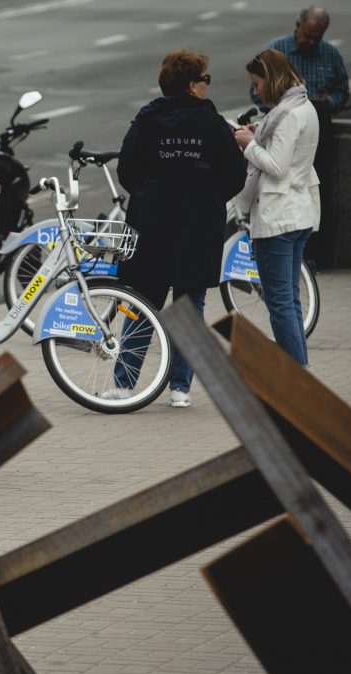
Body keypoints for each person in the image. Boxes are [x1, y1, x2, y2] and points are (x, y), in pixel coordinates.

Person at [108, 49, 246, 408]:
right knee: (191, 306)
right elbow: (235, 173)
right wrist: (209, 196)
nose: (207, 86)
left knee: (142, 301)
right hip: (197, 224)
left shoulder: (147, 119)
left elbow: (126, 170)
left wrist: (149, 195)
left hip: (152, 222)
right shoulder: (211, 123)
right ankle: (180, 388)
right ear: (191, 85)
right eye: (205, 79)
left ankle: (125, 384)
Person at [235, 49, 320, 367]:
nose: (254, 91)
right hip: (299, 214)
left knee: (279, 303)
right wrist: (261, 137)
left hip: (278, 217)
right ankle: (301, 370)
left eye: (256, 83)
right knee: (290, 302)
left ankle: (297, 377)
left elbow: (276, 165)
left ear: (270, 79)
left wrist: (249, 145)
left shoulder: (287, 115)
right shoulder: (303, 106)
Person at [251, 6, 348, 269]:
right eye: (307, 35)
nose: (311, 41)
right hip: (280, 118)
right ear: (298, 25)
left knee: (316, 184)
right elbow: (256, 91)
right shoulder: (277, 50)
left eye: (317, 36)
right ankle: (296, 253)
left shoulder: (329, 53)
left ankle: (314, 253)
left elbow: (343, 91)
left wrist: (328, 102)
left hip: (317, 120)